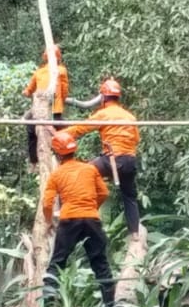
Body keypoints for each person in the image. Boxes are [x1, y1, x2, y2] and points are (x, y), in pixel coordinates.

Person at [41, 131, 116, 307]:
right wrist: (91, 208)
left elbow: (47, 203)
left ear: (57, 154)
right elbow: (104, 193)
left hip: (69, 220)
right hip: (91, 219)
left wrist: (49, 221)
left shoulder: (56, 175)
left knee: (58, 261)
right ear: (74, 150)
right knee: (100, 262)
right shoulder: (90, 169)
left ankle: (48, 305)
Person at [60, 78, 142, 237]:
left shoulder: (104, 114)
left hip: (111, 159)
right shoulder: (130, 117)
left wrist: (61, 134)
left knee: (81, 174)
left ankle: (75, 212)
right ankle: (135, 233)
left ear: (103, 98)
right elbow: (136, 139)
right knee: (129, 197)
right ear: (118, 97)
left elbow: (81, 128)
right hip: (129, 161)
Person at [24, 44, 69, 168]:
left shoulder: (39, 72)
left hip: (39, 112)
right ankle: (65, 158)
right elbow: (65, 90)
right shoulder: (61, 70)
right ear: (58, 57)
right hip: (55, 110)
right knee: (63, 133)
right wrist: (62, 100)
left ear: (45, 57)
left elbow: (28, 91)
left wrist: (27, 93)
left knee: (31, 130)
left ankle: (34, 161)